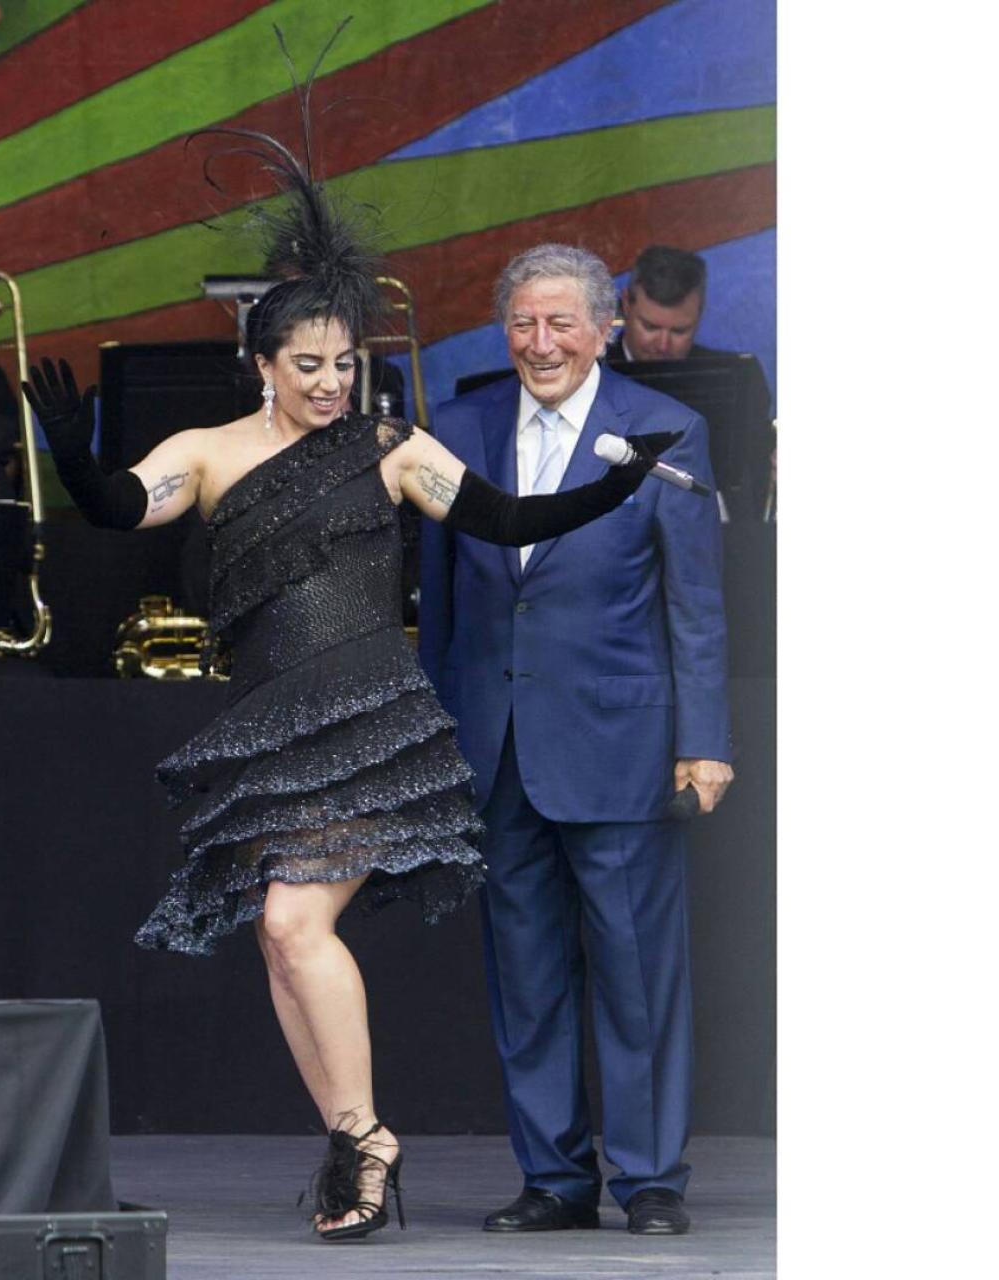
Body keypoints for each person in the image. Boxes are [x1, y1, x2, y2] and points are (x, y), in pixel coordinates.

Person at [22, 141, 678, 1241]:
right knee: (280, 940)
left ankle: (366, 1139)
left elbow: (505, 517)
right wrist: (71, 453)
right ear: (262, 364)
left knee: (292, 917)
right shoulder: (208, 451)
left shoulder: (388, 446)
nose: (331, 382)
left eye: (342, 363)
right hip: (270, 727)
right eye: (308, 364)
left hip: (369, 723)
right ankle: (355, 1140)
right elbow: (117, 508)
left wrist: (612, 486)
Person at [419, 243, 735, 1237]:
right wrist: (433, 736)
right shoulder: (457, 427)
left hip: (622, 743)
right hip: (496, 744)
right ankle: (553, 1177)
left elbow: (695, 602)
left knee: (638, 972)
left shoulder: (665, 428)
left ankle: (648, 1177)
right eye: (522, 322)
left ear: (605, 329)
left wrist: (705, 741)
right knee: (526, 975)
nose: (541, 342)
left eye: (561, 322)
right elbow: (438, 603)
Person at [608, 244, 774, 517]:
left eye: (679, 331)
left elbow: (756, 478)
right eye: (650, 327)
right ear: (626, 304)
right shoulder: (582, 376)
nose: (662, 345)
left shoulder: (740, 379)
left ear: (700, 313)